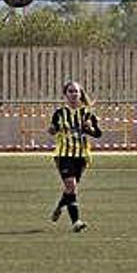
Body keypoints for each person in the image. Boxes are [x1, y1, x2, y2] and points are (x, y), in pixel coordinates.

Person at [47, 81, 102, 232]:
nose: (73, 94)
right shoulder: (59, 113)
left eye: (76, 91)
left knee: (70, 189)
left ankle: (60, 205)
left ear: (80, 94)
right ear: (65, 95)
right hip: (64, 154)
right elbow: (53, 129)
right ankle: (76, 222)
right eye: (70, 91)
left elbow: (98, 134)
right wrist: (51, 130)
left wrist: (89, 129)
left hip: (81, 155)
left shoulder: (87, 113)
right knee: (71, 185)